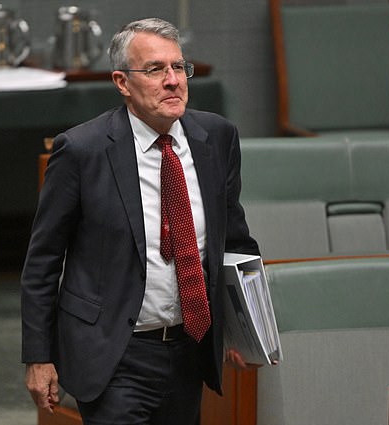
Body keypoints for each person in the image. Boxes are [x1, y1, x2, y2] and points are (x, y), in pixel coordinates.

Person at [21, 17, 261, 425]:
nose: (173, 81)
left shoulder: (217, 137)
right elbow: (43, 263)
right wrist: (38, 356)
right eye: (154, 70)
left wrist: (243, 328)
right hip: (115, 354)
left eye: (178, 67)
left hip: (190, 351)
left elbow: (234, 240)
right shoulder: (82, 150)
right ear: (121, 82)